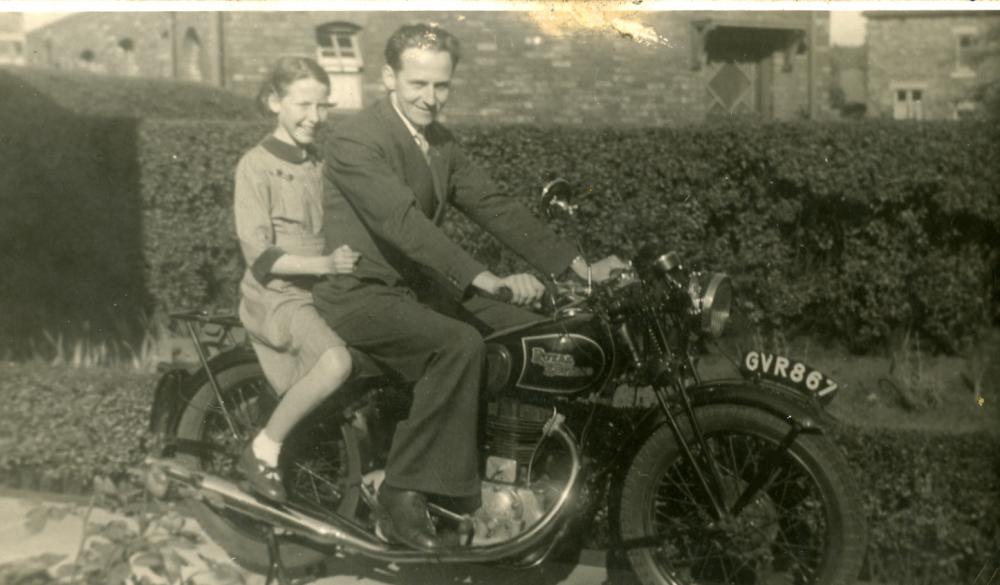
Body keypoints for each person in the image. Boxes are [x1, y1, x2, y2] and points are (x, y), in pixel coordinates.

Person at [312, 23, 626, 550]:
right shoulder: (355, 138)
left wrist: (579, 267)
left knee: (539, 329)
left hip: (414, 295)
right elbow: (403, 222)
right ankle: (403, 491)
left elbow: (494, 205)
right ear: (388, 77)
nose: (430, 98)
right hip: (361, 295)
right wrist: (483, 278)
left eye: (441, 86)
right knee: (460, 343)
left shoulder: (440, 143)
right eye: (417, 84)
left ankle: (510, 468)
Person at [233, 56, 361, 502]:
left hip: (324, 292)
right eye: (303, 105)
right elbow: (261, 256)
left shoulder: (316, 164)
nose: (315, 117)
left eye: (323, 106)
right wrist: (325, 265)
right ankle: (264, 449)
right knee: (335, 363)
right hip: (278, 299)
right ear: (274, 102)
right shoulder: (255, 165)